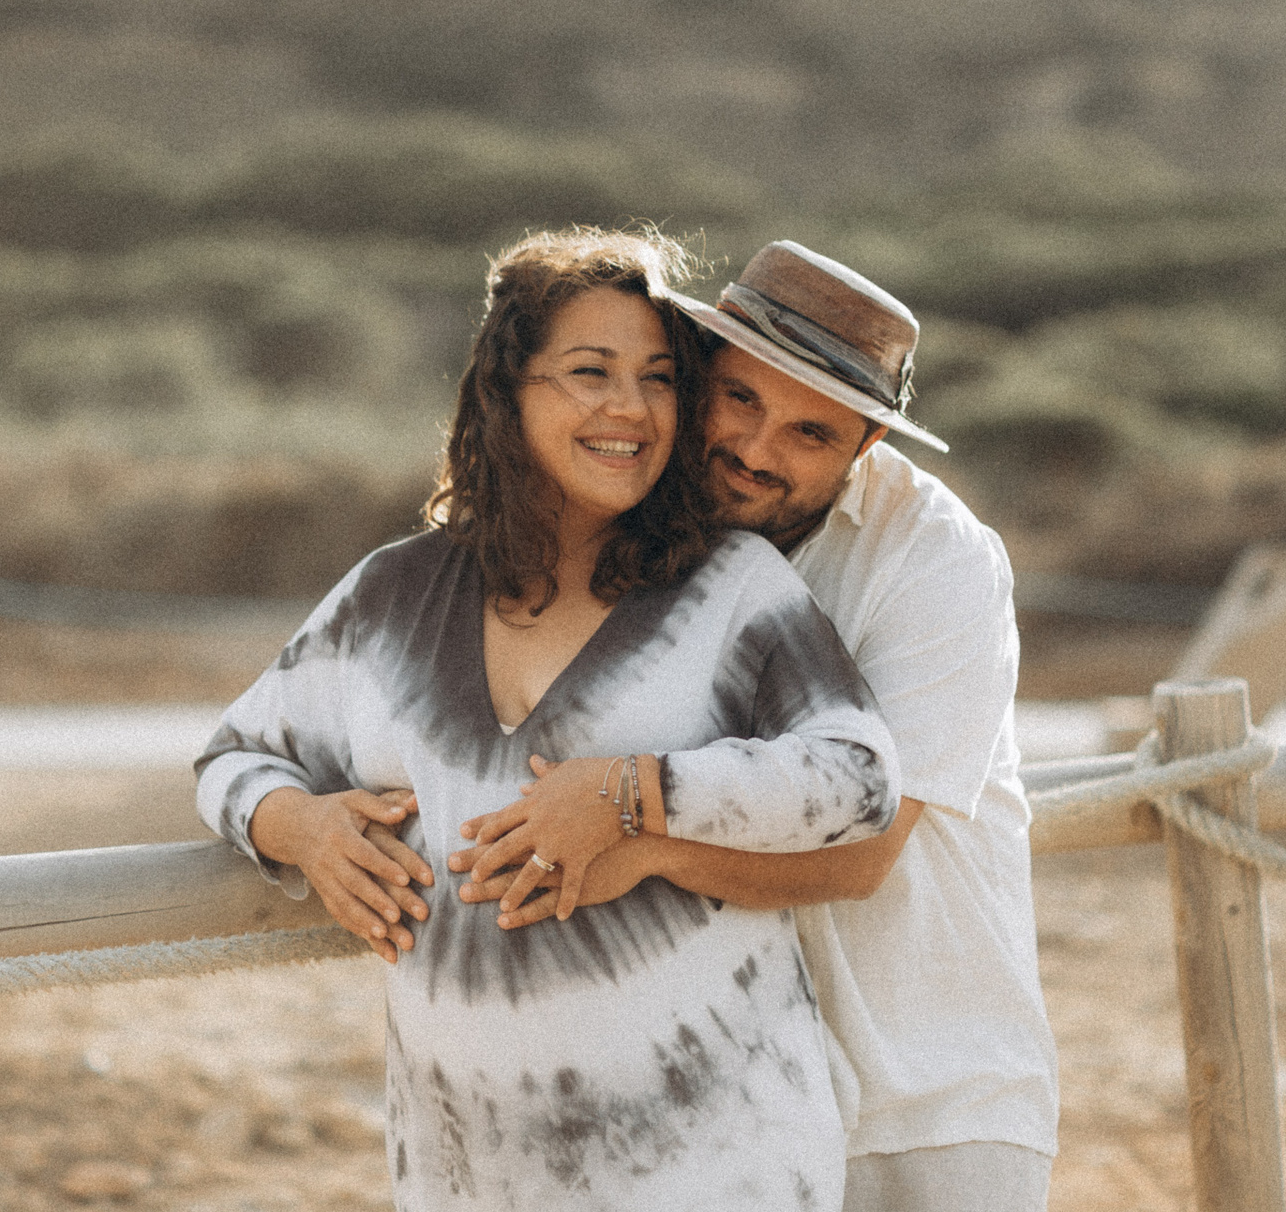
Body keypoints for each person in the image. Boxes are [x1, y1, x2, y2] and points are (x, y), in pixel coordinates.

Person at [196, 228, 902, 1210]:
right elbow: (233, 756)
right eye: (590, 372)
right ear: (508, 390)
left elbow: (859, 778)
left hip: (720, 1160)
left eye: (659, 379)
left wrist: (634, 794)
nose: (631, 408)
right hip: (467, 1170)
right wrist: (301, 828)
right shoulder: (391, 594)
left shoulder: (733, 586)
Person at [452, 240, 1059, 1211]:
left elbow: (865, 854)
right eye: (740, 399)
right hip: (726, 1114)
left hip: (931, 1097)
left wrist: (641, 845)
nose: (757, 450)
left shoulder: (938, 561)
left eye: (810, 432)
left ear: (867, 443)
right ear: (699, 378)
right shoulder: (637, 537)